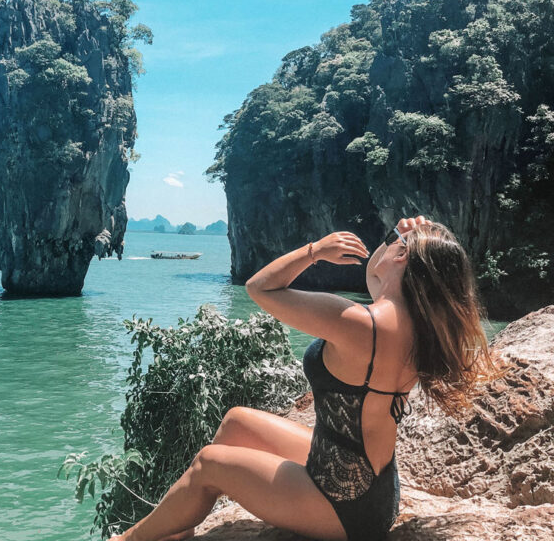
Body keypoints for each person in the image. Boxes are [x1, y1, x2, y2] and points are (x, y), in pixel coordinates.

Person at [110, 215, 500, 541]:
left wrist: (316, 251)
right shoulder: (416, 324)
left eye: (400, 241)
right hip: (373, 488)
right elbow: (374, 277)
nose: (392, 242)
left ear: (403, 257)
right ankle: (177, 528)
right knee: (236, 421)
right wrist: (396, 237)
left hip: (344, 507)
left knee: (209, 464)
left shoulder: (358, 323)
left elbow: (260, 288)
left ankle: (129, 540)